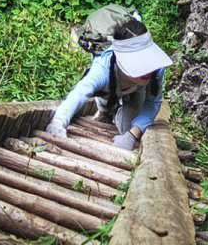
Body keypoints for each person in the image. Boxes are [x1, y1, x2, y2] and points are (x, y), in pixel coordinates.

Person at [46, 18, 172, 152]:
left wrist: (133, 134)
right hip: (110, 87)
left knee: (127, 127)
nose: (147, 69)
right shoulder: (102, 70)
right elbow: (80, 92)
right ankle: (105, 110)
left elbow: (153, 102)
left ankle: (119, 114)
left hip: (138, 89)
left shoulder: (156, 69)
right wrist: (58, 122)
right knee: (106, 108)